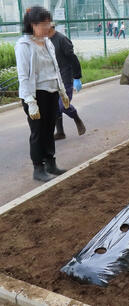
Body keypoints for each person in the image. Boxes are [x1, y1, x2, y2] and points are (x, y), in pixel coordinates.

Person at [15, 6, 69, 182]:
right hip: (35, 95)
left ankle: (51, 163)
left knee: (49, 128)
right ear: (32, 25)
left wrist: (62, 91)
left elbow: (55, 68)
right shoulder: (24, 45)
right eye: (44, 24)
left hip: (51, 92)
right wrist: (30, 101)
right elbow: (23, 76)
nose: (48, 27)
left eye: (49, 23)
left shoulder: (47, 42)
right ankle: (38, 168)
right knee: (38, 131)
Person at [48, 25, 86, 140]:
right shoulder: (45, 40)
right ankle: (60, 132)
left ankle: (76, 118)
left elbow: (73, 58)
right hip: (53, 78)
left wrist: (77, 77)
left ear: (50, 26)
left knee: (63, 105)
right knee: (54, 106)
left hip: (66, 77)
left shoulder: (62, 39)